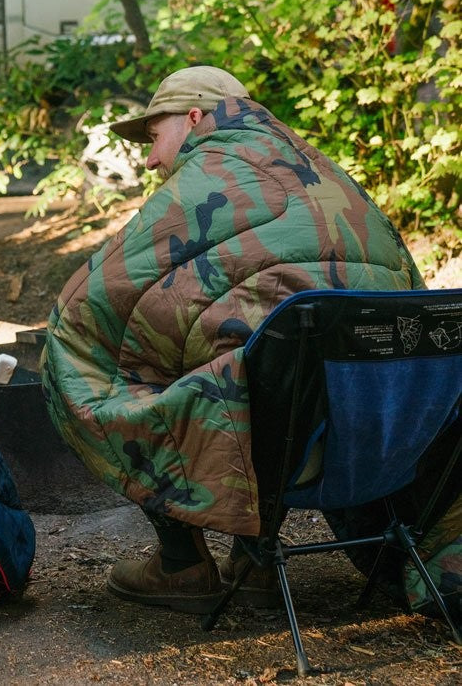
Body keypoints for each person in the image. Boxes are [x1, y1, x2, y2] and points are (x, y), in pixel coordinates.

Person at [40, 65, 423, 614]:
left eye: (154, 137)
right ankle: (255, 559)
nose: (151, 159)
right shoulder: (333, 175)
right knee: (266, 356)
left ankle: (181, 564)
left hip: (275, 427)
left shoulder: (210, 175)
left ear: (195, 117)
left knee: (94, 355)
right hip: (370, 436)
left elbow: (93, 303)